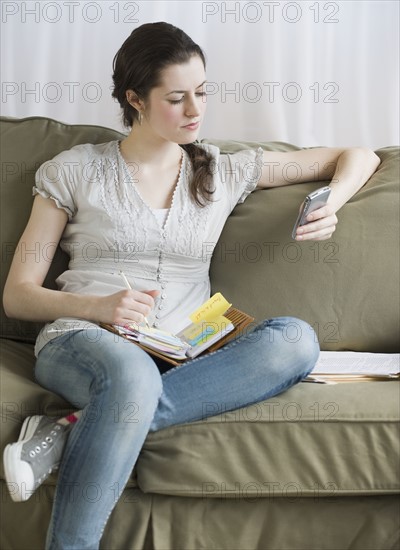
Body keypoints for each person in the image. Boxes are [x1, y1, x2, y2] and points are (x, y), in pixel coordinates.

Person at [2, 21, 380, 550]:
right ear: (134, 98)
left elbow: (358, 155)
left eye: (201, 93)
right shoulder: (73, 170)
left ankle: (69, 429)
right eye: (176, 98)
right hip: (83, 338)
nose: (196, 111)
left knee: (295, 340)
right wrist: (98, 306)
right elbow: (17, 293)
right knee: (132, 378)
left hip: (185, 349)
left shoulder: (223, 171)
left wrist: (332, 203)